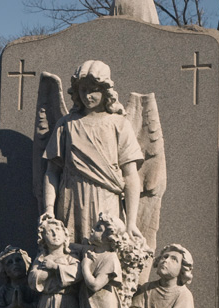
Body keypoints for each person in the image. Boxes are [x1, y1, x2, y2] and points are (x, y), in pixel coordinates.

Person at [42, 60, 145, 245]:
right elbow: (51, 171)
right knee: (70, 257)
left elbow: (130, 176)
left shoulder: (119, 124)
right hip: (71, 197)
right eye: (83, 90)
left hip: (106, 199)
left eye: (94, 90)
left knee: (105, 254)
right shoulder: (66, 125)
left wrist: (131, 222)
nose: (88, 96)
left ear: (106, 91)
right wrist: (49, 208)